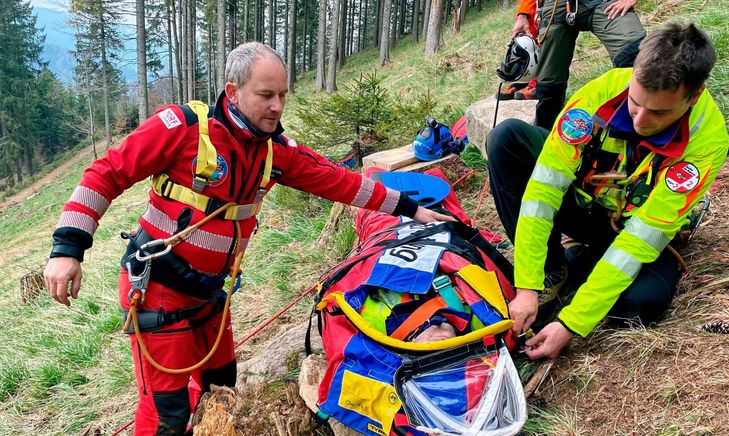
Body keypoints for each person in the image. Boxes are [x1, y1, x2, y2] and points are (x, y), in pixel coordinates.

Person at [43, 42, 451, 435]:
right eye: (266, 95)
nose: (277, 106)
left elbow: (341, 182)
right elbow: (106, 173)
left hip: (211, 296)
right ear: (233, 92)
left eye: (283, 95)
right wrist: (67, 249)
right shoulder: (182, 128)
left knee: (222, 387)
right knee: (167, 413)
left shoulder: (275, 152)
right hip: (159, 293)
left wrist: (409, 209)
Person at [486, 23, 729, 360]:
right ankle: (553, 270)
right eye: (635, 103)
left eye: (659, 112)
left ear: (695, 95)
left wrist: (572, 322)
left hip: (633, 226)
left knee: (638, 307)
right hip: (582, 204)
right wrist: (527, 283)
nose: (641, 120)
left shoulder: (707, 140)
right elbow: (543, 193)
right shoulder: (599, 95)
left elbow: (641, 238)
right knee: (507, 138)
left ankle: (587, 264)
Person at [512, 0, 646, 129]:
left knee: (634, 53)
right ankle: (544, 137)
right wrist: (523, 14)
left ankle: (642, 120)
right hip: (555, 7)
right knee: (548, 85)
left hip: (604, 3)